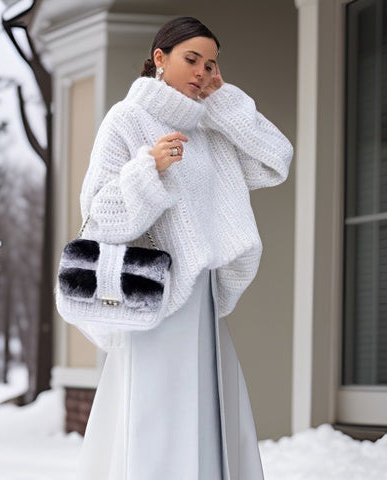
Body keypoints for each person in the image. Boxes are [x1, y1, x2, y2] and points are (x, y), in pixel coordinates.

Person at [75, 16, 293, 480]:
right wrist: (147, 168)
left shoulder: (211, 128)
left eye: (211, 65)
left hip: (202, 295)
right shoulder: (126, 119)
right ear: (160, 58)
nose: (202, 72)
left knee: (205, 410)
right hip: (151, 292)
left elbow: (276, 160)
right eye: (191, 60)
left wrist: (225, 100)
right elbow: (98, 216)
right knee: (154, 412)